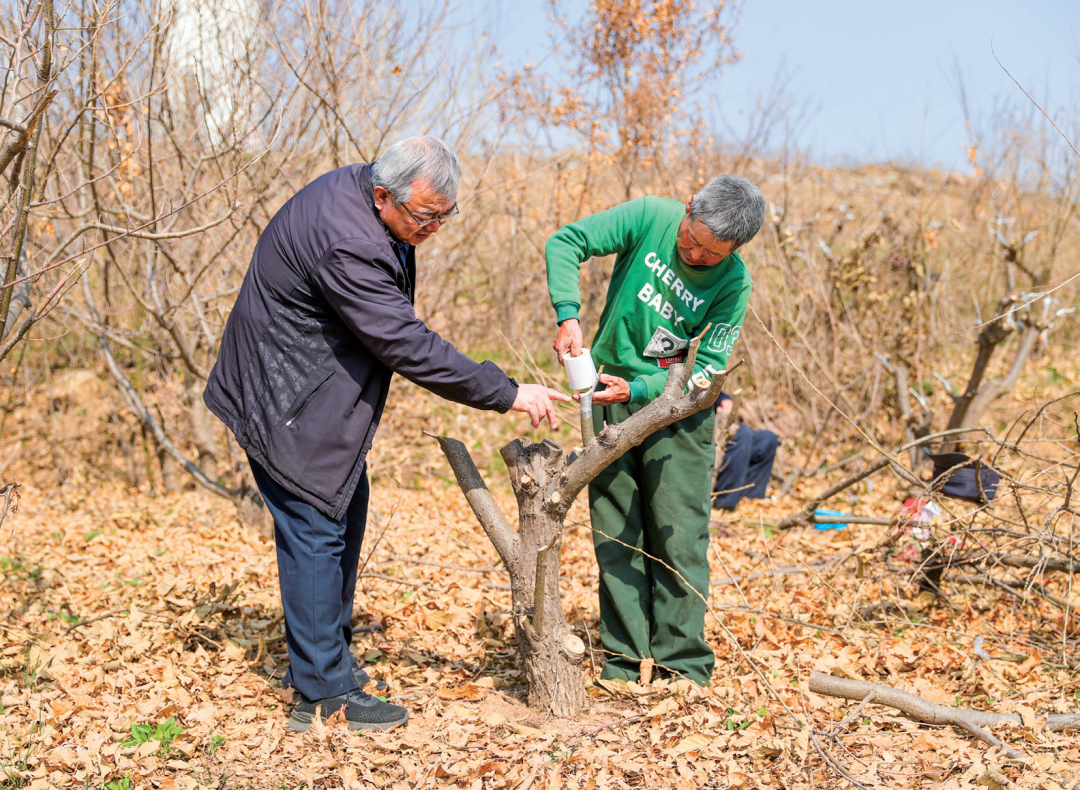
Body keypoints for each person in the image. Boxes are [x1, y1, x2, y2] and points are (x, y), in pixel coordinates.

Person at [204, 136, 568, 732]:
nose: (433, 229)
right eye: (425, 217)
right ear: (382, 195)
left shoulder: (373, 207)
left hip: (309, 391)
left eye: (445, 217)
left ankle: (329, 660)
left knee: (343, 511)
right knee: (317, 529)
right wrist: (505, 392)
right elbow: (402, 341)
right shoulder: (347, 238)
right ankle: (324, 695)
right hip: (285, 397)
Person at [547, 175, 765, 687]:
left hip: (679, 413)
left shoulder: (734, 283)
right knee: (616, 529)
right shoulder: (651, 215)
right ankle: (625, 659)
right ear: (687, 208)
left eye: (710, 253)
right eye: (690, 238)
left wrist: (642, 390)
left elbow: (709, 367)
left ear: (733, 250)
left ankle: (683, 665)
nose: (692, 253)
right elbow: (566, 241)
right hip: (606, 397)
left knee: (679, 537)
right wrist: (568, 314)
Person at [712, 392, 778, 510]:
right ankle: (724, 504)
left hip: (719, 428)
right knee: (742, 433)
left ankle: (749, 500)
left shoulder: (704, 374)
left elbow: (711, 389)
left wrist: (723, 399)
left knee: (767, 440)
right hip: (704, 434)